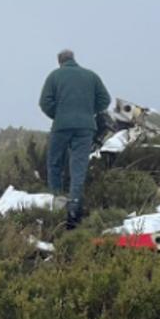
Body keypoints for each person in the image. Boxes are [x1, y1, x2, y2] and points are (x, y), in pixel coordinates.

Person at [39, 49, 111, 228]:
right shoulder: (91, 76)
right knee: (78, 166)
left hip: (61, 126)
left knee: (54, 163)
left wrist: (58, 114)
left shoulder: (54, 76)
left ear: (59, 61)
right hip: (85, 127)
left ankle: (56, 200)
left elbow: (44, 102)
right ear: (73, 59)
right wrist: (89, 111)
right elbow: (105, 100)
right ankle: (75, 205)